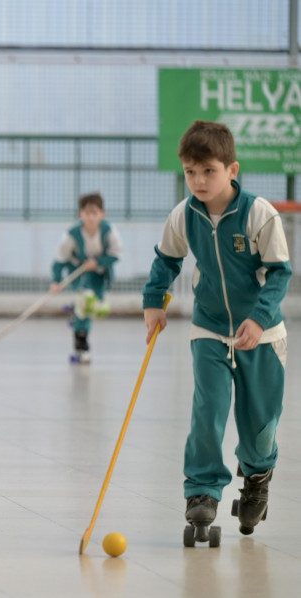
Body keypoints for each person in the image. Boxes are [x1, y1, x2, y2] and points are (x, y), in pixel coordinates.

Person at [142, 120, 291, 540]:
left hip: (262, 334)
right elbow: (166, 261)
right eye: (190, 172)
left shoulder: (259, 214)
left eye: (208, 170)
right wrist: (153, 301)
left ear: (232, 169)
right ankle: (202, 491)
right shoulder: (184, 215)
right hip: (208, 329)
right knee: (208, 410)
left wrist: (259, 318)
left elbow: (280, 273)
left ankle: (257, 476)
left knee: (259, 424)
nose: (199, 180)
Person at [49, 192, 122, 364]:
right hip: (79, 272)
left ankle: (74, 310)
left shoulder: (109, 231)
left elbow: (117, 253)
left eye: (94, 212)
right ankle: (81, 346)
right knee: (85, 302)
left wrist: (97, 262)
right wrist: (56, 281)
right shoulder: (72, 234)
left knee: (96, 307)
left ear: (102, 214)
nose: (90, 217)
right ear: (80, 213)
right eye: (87, 213)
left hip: (99, 273)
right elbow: (59, 259)